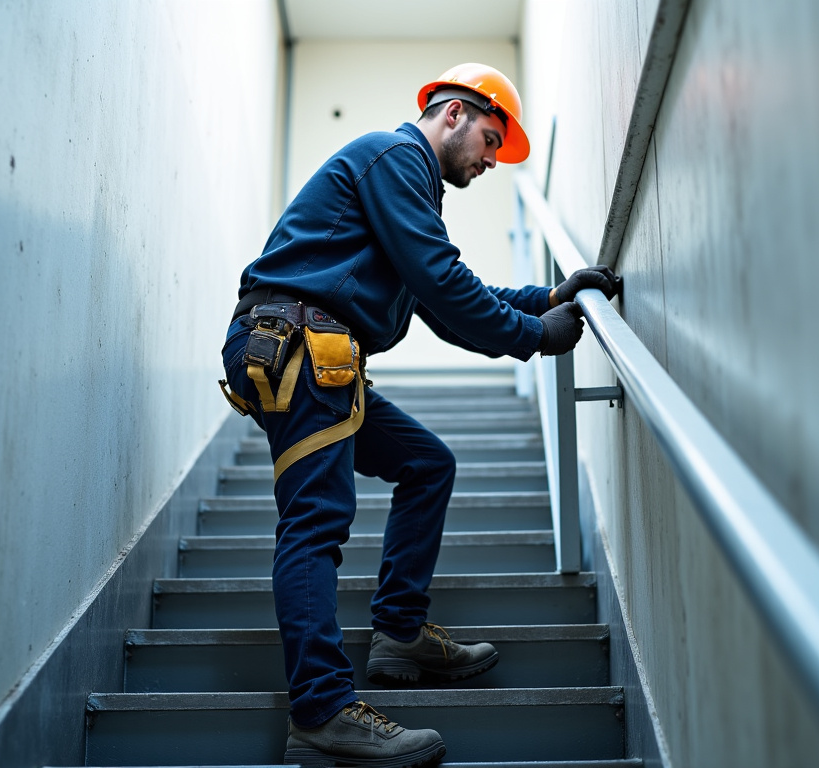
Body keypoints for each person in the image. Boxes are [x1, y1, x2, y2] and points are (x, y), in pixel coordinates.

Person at [218, 63, 622, 768]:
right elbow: (442, 282)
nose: (492, 161)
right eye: (491, 139)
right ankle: (321, 712)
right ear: (454, 113)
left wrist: (550, 298)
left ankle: (400, 633)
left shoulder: (406, 192)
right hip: (300, 344)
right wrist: (536, 336)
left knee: (427, 463)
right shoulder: (395, 157)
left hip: (321, 350)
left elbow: (445, 298)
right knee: (315, 521)